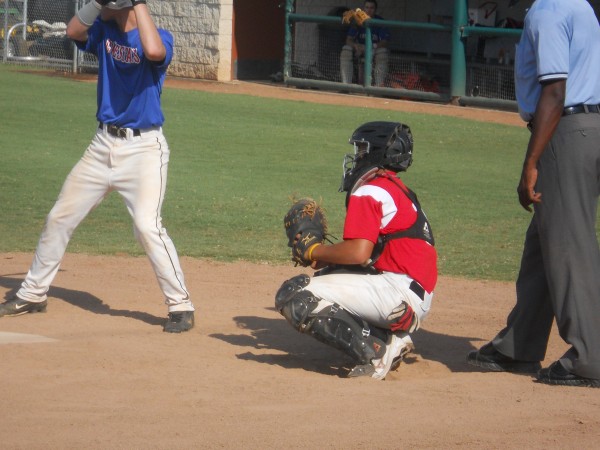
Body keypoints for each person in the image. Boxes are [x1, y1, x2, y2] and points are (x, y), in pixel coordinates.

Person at [0, 0, 195, 333]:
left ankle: (181, 305)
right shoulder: (103, 30)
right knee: (60, 216)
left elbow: (152, 51)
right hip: (102, 145)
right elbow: (74, 30)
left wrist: (137, 3)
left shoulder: (159, 35)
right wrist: (99, 4)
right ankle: (33, 293)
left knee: (147, 227)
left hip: (144, 149)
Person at [467, 0, 600, 387]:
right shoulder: (583, 7)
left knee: (568, 244)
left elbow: (555, 91)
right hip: (591, 125)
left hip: (568, 131)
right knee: (544, 242)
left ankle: (588, 357)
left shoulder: (548, 10)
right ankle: (519, 346)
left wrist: (530, 163)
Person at [275, 121, 437, 380]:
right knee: (326, 277)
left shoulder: (370, 190)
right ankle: (389, 336)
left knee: (296, 296)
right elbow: (369, 256)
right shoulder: (395, 189)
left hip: (395, 292)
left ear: (377, 151)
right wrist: (324, 260)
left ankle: (375, 353)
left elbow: (359, 253)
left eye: (362, 148)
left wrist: (314, 251)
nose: (357, 155)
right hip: (409, 292)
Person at [340, 0, 390, 87]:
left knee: (383, 52)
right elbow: (349, 40)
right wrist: (355, 45)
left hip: (374, 49)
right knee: (346, 50)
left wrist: (372, 47)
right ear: (363, 9)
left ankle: (379, 87)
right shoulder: (358, 21)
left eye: (371, 8)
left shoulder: (380, 21)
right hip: (360, 49)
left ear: (375, 9)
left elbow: (385, 41)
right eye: (367, 7)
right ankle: (346, 85)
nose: (369, 10)